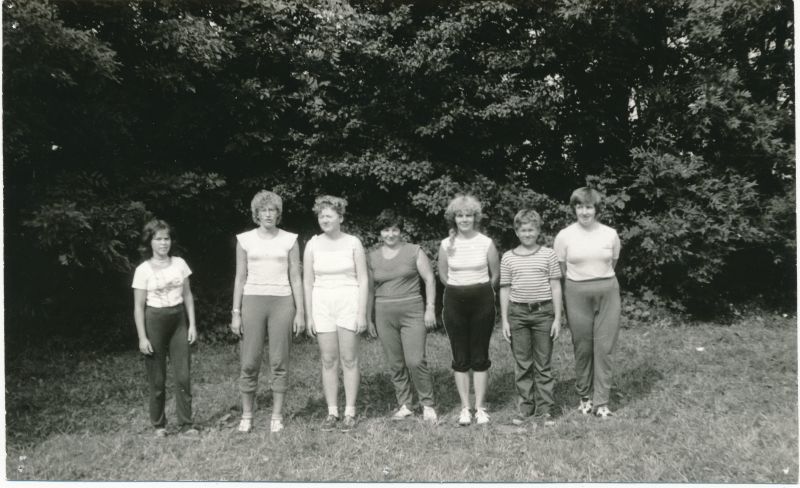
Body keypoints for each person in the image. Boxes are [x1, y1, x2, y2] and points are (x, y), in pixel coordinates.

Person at [230, 190, 305, 434]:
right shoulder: (245, 240)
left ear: (278, 213)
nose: (268, 214)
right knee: (249, 361)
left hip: (282, 302)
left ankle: (276, 416)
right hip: (252, 300)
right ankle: (247, 414)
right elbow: (240, 277)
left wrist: (300, 312)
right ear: (256, 214)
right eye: (263, 210)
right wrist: (236, 312)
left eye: (272, 210)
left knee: (279, 360)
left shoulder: (290, 239)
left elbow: (296, 276)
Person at [554, 187, 622, 418]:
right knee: (582, 347)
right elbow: (562, 268)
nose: (584, 212)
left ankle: (601, 401)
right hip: (576, 292)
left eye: (589, 206)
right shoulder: (564, 236)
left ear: (596, 209)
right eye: (580, 206)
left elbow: (612, 262)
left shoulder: (610, 234)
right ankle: (584, 397)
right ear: (574, 208)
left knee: (604, 348)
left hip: (607, 293)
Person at [303, 195, 369, 432]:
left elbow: (363, 278)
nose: (324, 219)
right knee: (328, 359)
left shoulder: (353, 242)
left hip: (348, 300)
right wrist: (309, 315)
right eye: (321, 216)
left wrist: (362, 313)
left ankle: (350, 410)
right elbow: (307, 282)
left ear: (340, 218)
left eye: (329, 215)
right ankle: (332, 411)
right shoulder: (312, 244)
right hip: (322, 303)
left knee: (349, 359)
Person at [366, 210, 438, 423]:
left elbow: (430, 279)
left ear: (400, 231)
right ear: (380, 233)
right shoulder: (372, 257)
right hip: (383, 313)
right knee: (395, 362)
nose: (390, 234)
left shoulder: (414, 251)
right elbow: (369, 289)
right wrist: (368, 318)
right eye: (386, 229)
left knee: (415, 360)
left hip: (412, 310)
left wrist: (430, 308)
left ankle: (427, 404)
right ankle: (405, 404)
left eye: (395, 229)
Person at [437, 194, 500, 426]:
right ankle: (465, 407)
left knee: (480, 354)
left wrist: (479, 291)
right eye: (460, 215)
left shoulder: (486, 242)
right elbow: (443, 275)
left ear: (476, 217)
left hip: (482, 299)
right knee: (460, 355)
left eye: (469, 215)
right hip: (454, 300)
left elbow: (495, 274)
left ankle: (480, 407)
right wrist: (459, 289)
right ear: (454, 218)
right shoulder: (446, 244)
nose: (464, 219)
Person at [132, 219, 198, 437]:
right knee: (158, 379)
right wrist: (143, 337)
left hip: (178, 320)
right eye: (158, 239)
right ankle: (159, 425)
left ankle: (186, 424)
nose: (163, 243)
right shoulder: (142, 270)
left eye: (166, 238)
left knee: (183, 377)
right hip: (155, 321)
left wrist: (192, 325)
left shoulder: (179, 264)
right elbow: (139, 307)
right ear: (150, 242)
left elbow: (188, 295)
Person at [499, 209, 563, 427]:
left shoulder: (548, 255)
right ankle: (526, 408)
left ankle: (545, 409)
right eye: (523, 230)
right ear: (517, 232)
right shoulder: (508, 257)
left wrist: (557, 318)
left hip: (543, 313)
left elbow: (555, 286)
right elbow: (505, 289)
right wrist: (505, 320)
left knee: (543, 363)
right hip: (518, 314)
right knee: (523, 363)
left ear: (538, 231)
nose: (527, 234)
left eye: (532, 229)